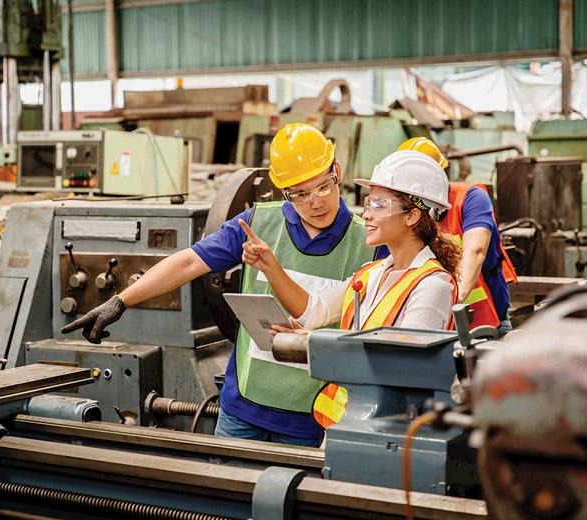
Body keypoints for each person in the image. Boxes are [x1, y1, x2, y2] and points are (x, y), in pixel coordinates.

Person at [61, 123, 375, 447]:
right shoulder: (256, 223)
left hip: (311, 416)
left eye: (323, 187)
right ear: (285, 192)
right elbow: (189, 262)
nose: (316, 202)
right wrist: (120, 301)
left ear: (337, 172)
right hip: (242, 411)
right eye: (301, 193)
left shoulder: (369, 242)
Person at [241, 150, 461, 429]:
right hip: (351, 422)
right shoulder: (371, 274)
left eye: (379, 205)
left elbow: (405, 367)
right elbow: (313, 310)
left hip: (389, 430)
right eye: (368, 203)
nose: (366, 215)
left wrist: (314, 344)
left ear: (412, 216)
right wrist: (270, 267)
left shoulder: (432, 286)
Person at [389, 138, 517, 336]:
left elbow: (475, 251)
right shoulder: (406, 213)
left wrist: (450, 302)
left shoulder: (471, 199)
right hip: (431, 324)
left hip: (484, 324)